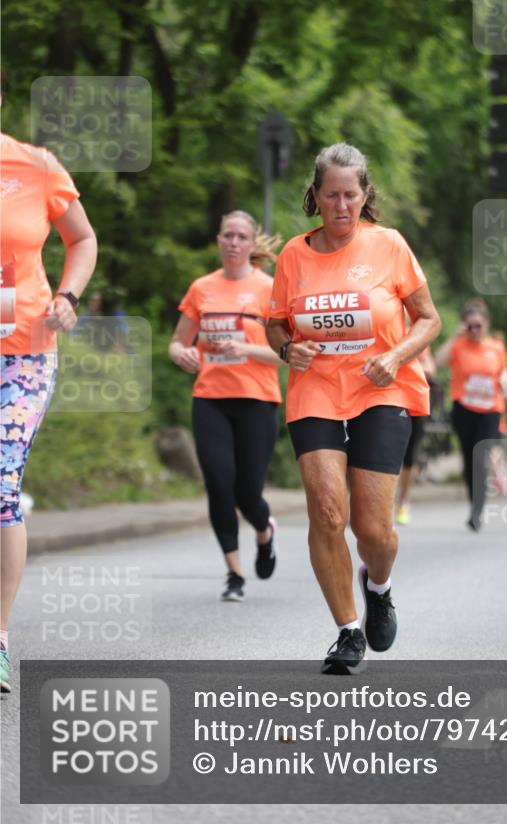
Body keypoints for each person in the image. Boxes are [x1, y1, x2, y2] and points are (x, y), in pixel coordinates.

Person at [266, 143, 440, 674]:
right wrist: (285, 348)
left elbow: (428, 319)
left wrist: (395, 356)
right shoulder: (293, 255)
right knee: (326, 511)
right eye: (331, 195)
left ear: (365, 196)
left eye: (350, 195)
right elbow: (275, 323)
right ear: (315, 196)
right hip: (316, 389)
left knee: (373, 530)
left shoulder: (389, 245)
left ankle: (379, 588)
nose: (341, 206)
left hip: (379, 390)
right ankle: (346, 631)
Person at [1, 129, 97, 695]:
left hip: (24, 355)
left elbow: (82, 238)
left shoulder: (35, 166)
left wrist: (68, 297)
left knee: (1, 483)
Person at [169, 211, 284, 602]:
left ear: (252, 244)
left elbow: (288, 353)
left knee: (247, 493)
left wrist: (246, 348)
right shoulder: (202, 288)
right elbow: (178, 341)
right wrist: (181, 354)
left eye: (241, 237)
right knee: (219, 484)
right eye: (227, 236)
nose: (234, 242)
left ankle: (264, 530)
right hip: (210, 399)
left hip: (257, 400)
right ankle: (234, 574)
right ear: (218, 240)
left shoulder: (269, 289)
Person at [435, 300, 507, 532]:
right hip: (464, 409)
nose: (474, 330)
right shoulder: (459, 345)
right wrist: (455, 336)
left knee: (481, 457)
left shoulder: (497, 348)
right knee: (469, 460)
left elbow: (504, 372)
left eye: (478, 325)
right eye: (470, 326)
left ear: (486, 324)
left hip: (490, 410)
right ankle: (473, 503)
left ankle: (478, 511)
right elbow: (438, 361)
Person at [395, 346, 436, 525]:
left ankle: (403, 500)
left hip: (413, 403)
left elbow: (430, 368)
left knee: (409, 457)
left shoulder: (417, 339)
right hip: (386, 399)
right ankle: (382, 503)